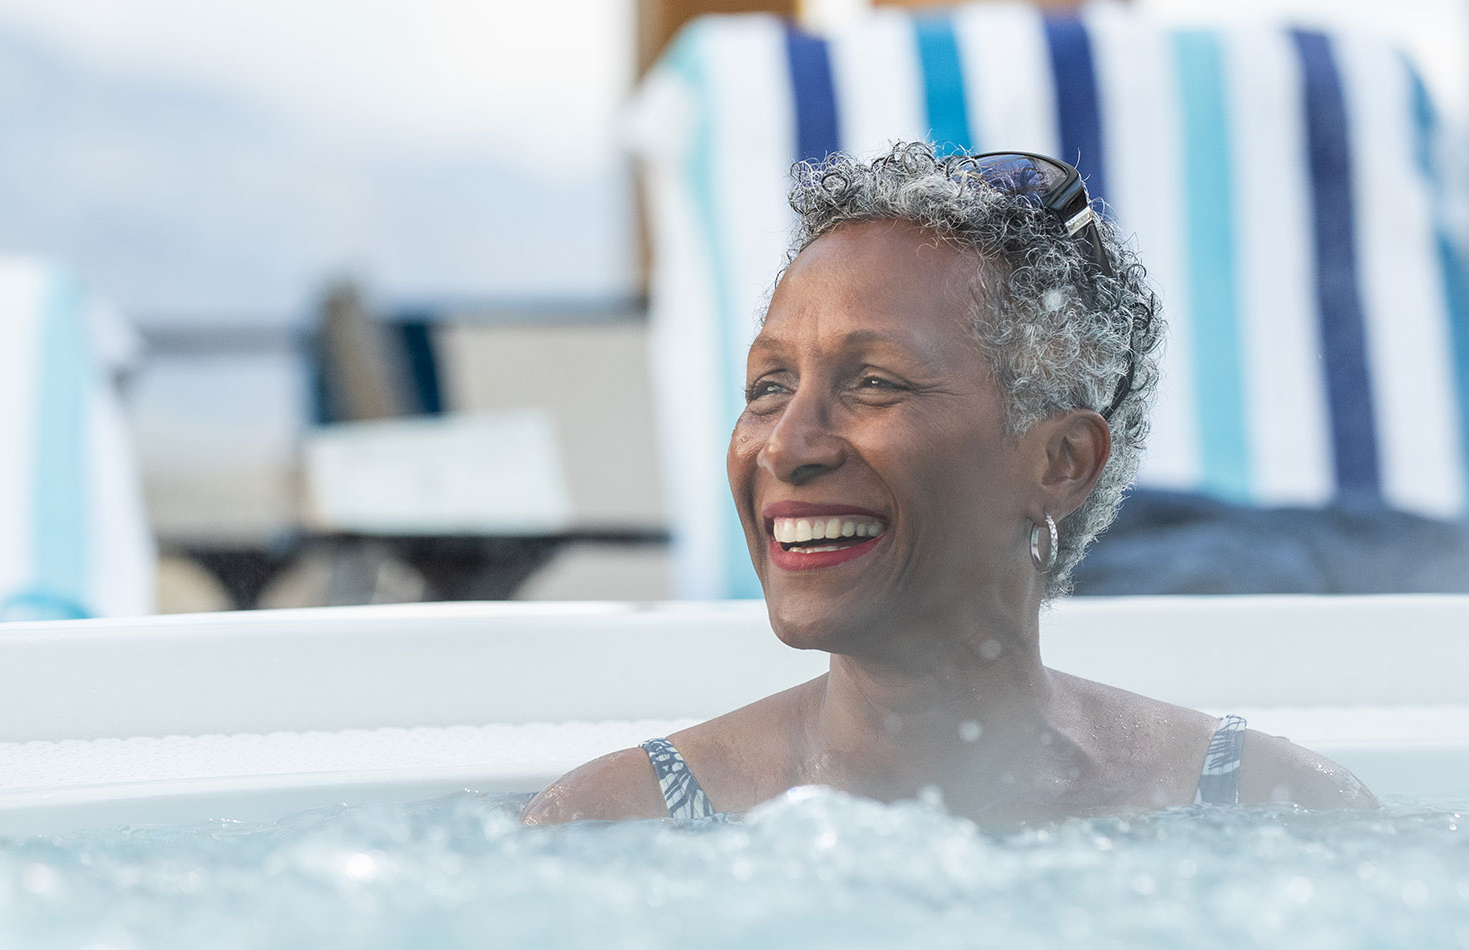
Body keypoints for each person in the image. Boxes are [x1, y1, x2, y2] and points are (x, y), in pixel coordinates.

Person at [525, 143, 1373, 826]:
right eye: (767, 388)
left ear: (1061, 462)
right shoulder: (613, 826)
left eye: (875, 383)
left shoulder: (1272, 811)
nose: (788, 446)